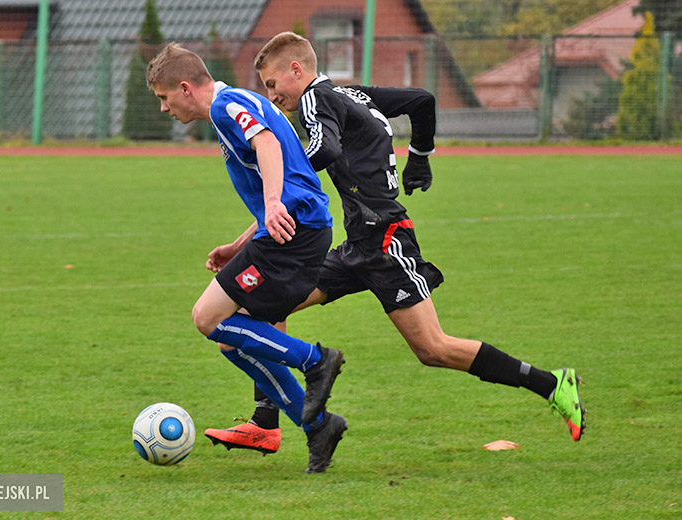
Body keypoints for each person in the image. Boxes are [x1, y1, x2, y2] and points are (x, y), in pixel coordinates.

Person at [203, 32, 585, 455]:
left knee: (433, 348)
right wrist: (419, 155)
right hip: (357, 245)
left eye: (274, 85)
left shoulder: (316, 101)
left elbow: (325, 149)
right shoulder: (351, 94)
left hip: (386, 243)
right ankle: (265, 422)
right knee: (260, 310)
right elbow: (421, 101)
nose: (272, 97)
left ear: (297, 70)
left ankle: (552, 383)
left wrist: (288, 164)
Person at [145, 42, 349, 473]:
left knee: (208, 317)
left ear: (185, 88)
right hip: (293, 229)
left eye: (164, 98)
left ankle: (317, 361)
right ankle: (318, 429)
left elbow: (269, 144)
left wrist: (273, 204)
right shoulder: (234, 104)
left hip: (294, 232)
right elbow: (289, 173)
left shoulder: (225, 105)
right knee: (232, 340)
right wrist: (241, 242)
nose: (165, 109)